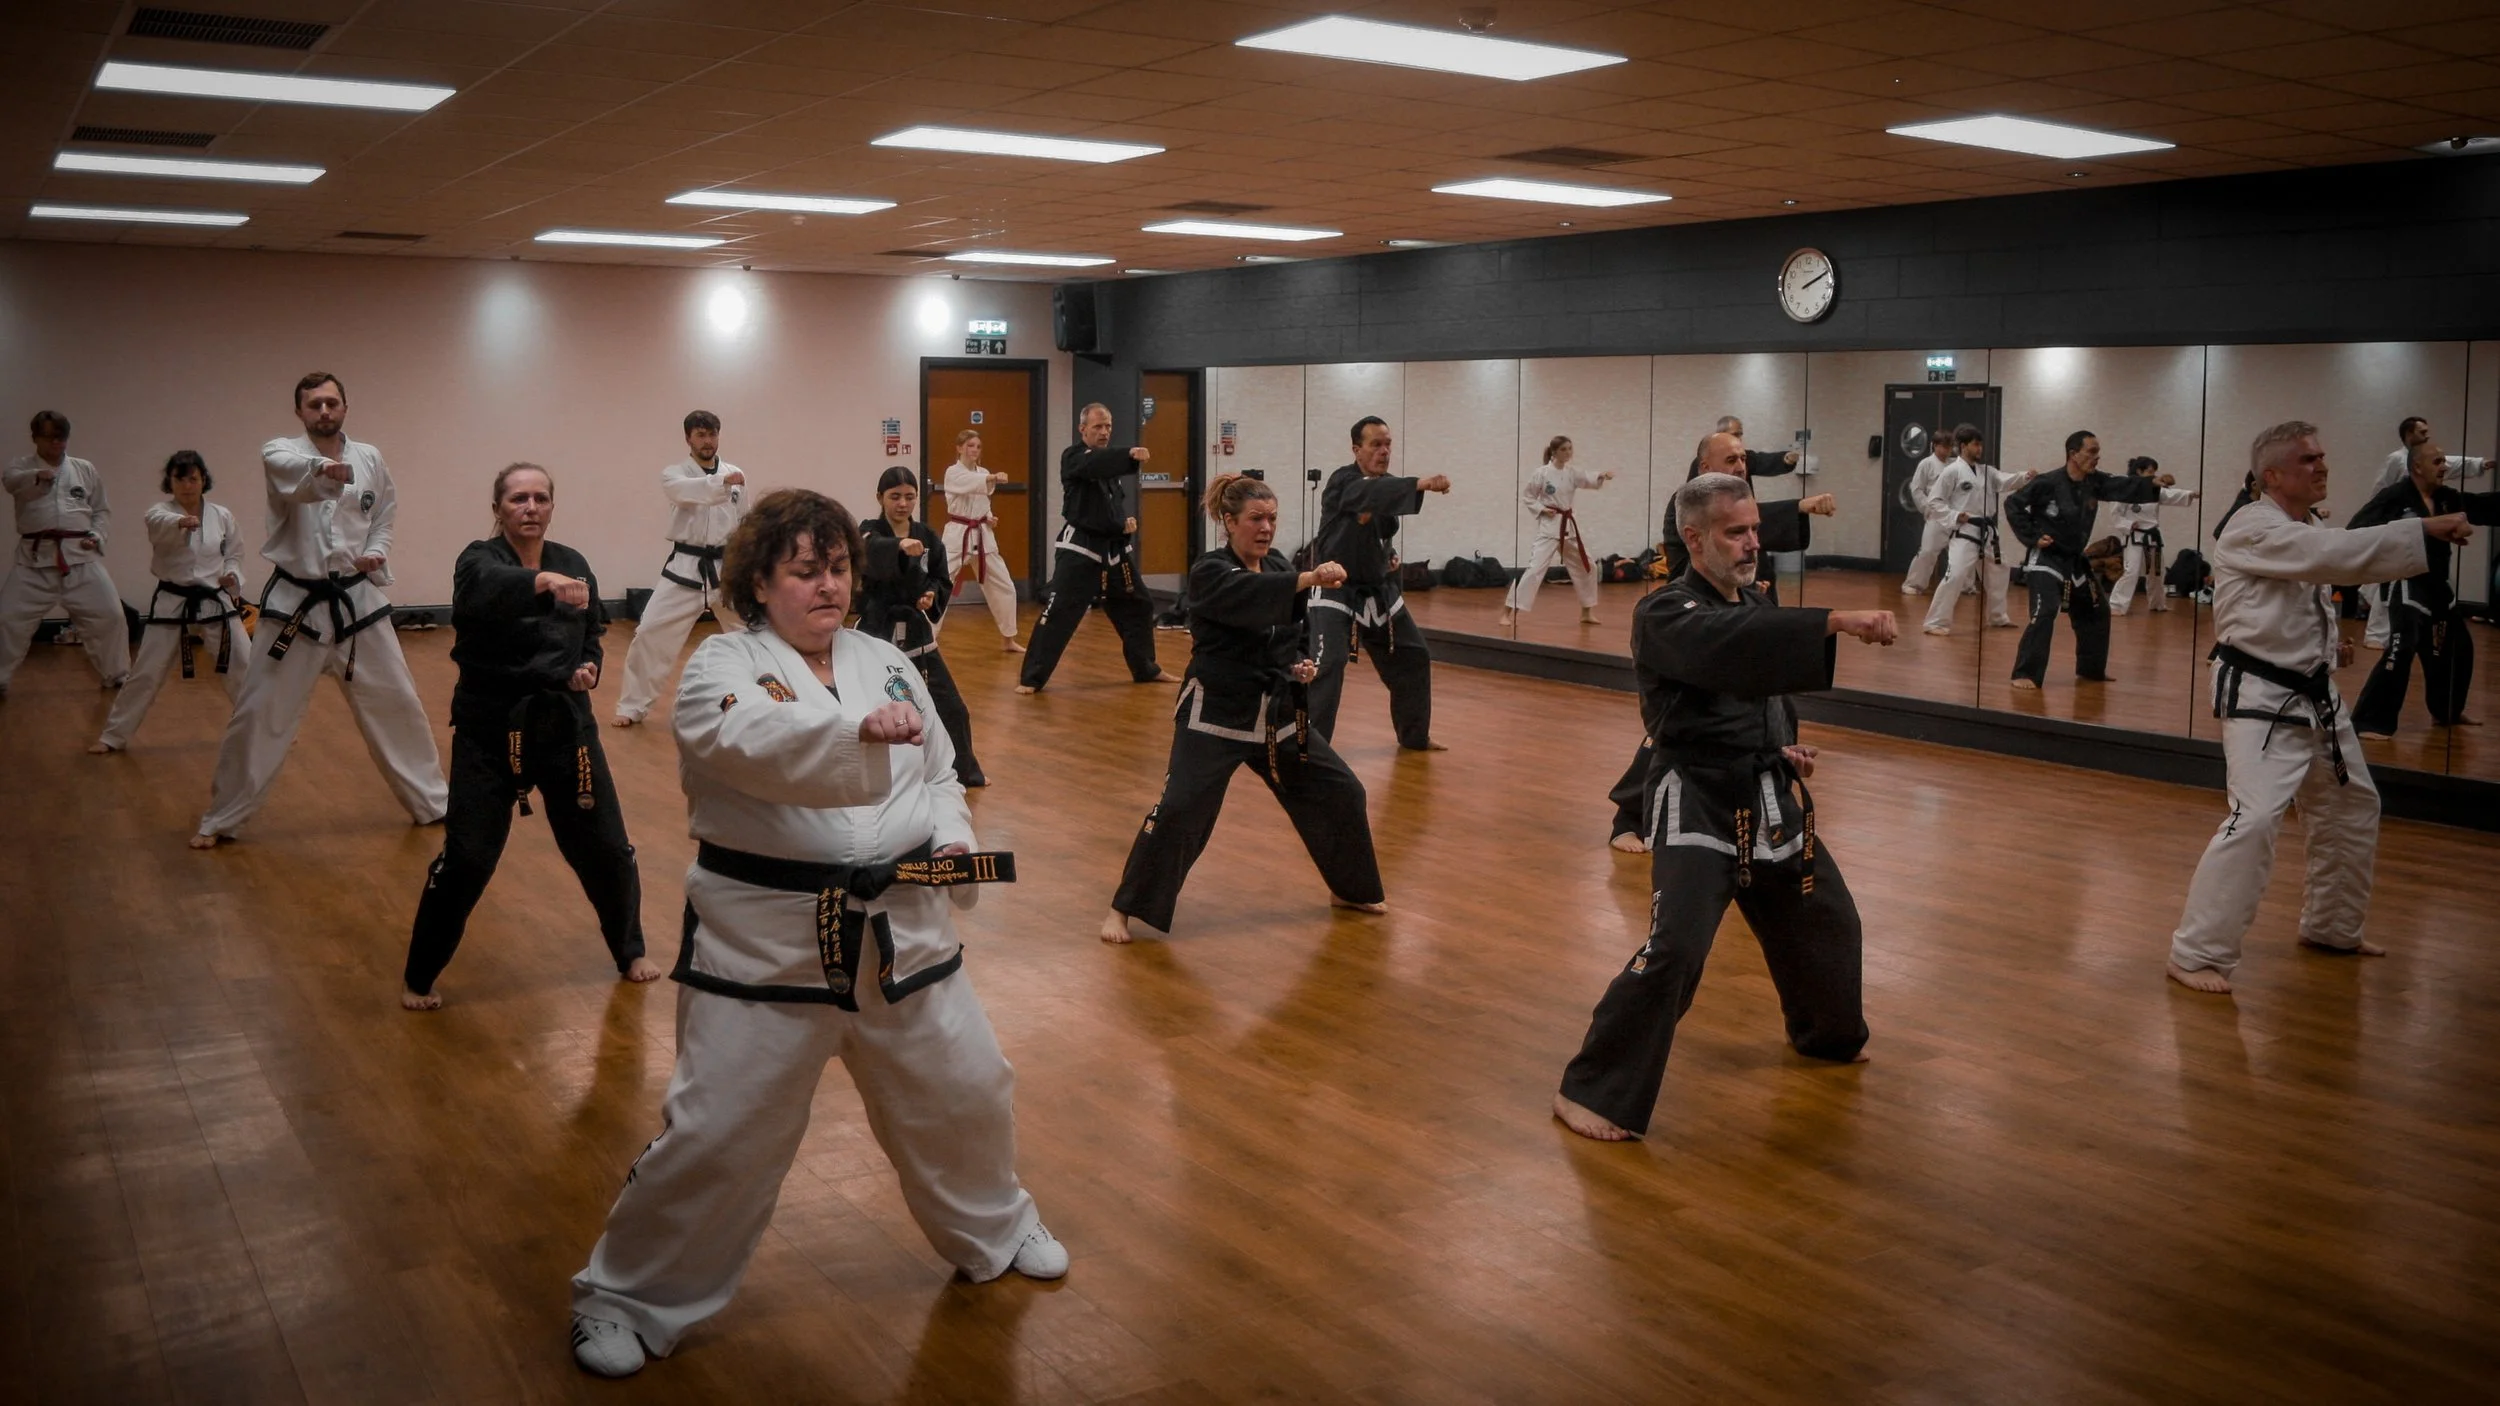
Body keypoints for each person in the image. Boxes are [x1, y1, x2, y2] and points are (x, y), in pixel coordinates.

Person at [569, 489, 1062, 1380]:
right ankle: (626, 1297)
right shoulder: (721, 667)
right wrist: (855, 732)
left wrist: (953, 841)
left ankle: (998, 1225)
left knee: (970, 1091)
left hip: (906, 939)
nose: (827, 585)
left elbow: (943, 773)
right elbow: (752, 742)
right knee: (718, 1134)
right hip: (768, 953)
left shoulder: (889, 661)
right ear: (760, 582)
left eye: (837, 568)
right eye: (804, 570)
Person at [1554, 473, 1892, 1142]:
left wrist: (1782, 744)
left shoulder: (1752, 599)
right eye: (1735, 533)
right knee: (1675, 950)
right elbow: (1732, 651)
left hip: (1765, 795)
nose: (1751, 544)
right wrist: (1832, 620)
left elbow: (1762, 686)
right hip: (1698, 803)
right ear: (1694, 538)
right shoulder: (1664, 612)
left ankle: (1826, 1036)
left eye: (1754, 531)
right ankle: (1592, 1090)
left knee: (1827, 919)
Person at [2165, 421, 2473, 995]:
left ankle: (2332, 928)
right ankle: (2196, 953)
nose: (2322, 465)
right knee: (2253, 820)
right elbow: (2332, 558)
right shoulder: (2251, 525)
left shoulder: (2300, 522)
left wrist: (2329, 642)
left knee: (2352, 806)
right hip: (2260, 698)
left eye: (2323, 455)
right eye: (2309, 459)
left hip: (2315, 694)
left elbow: (2295, 591)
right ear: (2273, 475)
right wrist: (2424, 527)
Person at [401, 463, 655, 1010]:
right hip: (492, 728)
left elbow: (592, 632)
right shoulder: (479, 560)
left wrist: (589, 667)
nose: (531, 507)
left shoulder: (572, 562)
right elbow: (483, 593)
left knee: (607, 849)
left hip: (566, 725)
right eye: (518, 499)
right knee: (468, 857)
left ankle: (629, 949)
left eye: (541, 498)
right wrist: (540, 582)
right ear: (498, 508)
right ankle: (420, 975)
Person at [1101, 473, 1386, 943]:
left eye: (1272, 518)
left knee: (1342, 791)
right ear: (1229, 521)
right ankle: (1122, 910)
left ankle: (1350, 889)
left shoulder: (1275, 564)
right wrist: (1310, 577)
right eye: (1256, 518)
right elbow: (1251, 601)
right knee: (1180, 810)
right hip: (1216, 712)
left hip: (1273, 714)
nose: (1266, 527)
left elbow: (1287, 633)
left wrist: (1298, 664)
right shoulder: (1210, 571)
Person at [192, 373, 446, 847]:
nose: (324, 411)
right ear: (300, 412)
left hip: (358, 602)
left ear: (346, 407)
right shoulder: (280, 452)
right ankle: (221, 818)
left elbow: (383, 514)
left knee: (399, 704)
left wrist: (376, 552)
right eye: (314, 405)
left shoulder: (370, 457)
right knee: (259, 714)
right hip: (296, 606)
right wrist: (328, 473)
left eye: (332, 402)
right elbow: (297, 481)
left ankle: (434, 804)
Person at [1608, 430, 1834, 852]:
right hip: (1692, 623)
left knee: (1763, 707)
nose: (1741, 465)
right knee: (1675, 727)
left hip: (1740, 607)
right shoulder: (1689, 503)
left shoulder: (1738, 501)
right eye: (1730, 459)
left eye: (1743, 458)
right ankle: (1630, 814)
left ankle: (1772, 773)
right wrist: (1800, 504)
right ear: (1705, 466)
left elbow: (1755, 523)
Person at [1307, 416, 1451, 750]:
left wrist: (1388, 553)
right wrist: (1421, 483)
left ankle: (1414, 736)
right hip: (1335, 589)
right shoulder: (1343, 481)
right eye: (1376, 444)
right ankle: (1313, 748)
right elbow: (1365, 494)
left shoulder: (1386, 488)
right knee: (1329, 663)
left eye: (1388, 444)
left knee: (1413, 656)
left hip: (1376, 590)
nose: (1384, 451)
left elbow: (1381, 525)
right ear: (1357, 449)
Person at [91, 451, 248, 752]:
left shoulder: (222, 516)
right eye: (180, 478)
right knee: (146, 671)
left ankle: (263, 729)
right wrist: (181, 522)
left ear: (204, 480)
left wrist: (231, 575)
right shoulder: (159, 513)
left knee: (243, 663)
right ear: (170, 481)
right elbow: (161, 524)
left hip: (214, 598)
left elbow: (235, 554)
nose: (187, 485)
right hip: (173, 599)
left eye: (193, 478)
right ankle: (113, 736)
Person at [2345, 442, 2500, 739]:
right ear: (2417, 466)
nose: (2445, 467)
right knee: (2402, 646)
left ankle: (2447, 712)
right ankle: (2371, 721)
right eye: (2438, 461)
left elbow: (2481, 507)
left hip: (2437, 586)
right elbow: (2358, 529)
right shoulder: (2394, 497)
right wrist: (2419, 525)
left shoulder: (2445, 497)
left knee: (2458, 648)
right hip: (2405, 581)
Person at [2002, 430, 2173, 690]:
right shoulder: (2047, 482)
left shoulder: (2095, 482)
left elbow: (2121, 486)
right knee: (2045, 610)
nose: (2097, 457)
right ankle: (2025, 673)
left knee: (2097, 611)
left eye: (2097, 452)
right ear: (2073, 453)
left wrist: (2153, 484)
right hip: (2046, 557)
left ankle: (2090, 670)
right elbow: (2013, 504)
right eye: (2091, 452)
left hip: (2074, 559)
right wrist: (2033, 536)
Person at [1017, 403, 1168, 692]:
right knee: (1059, 611)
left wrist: (1122, 524)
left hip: (1112, 550)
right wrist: (1129, 455)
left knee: (1138, 605)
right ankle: (1031, 678)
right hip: (1080, 549)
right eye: (1098, 426)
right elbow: (1094, 465)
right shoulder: (1074, 458)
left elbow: (1106, 506)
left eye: (1108, 426)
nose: (1104, 431)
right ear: (1082, 429)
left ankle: (1146, 668)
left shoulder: (1109, 467)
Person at [612, 410, 745, 725]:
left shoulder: (736, 474)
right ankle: (632, 706)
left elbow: (743, 520)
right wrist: (720, 482)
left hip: (726, 568)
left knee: (756, 632)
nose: (707, 441)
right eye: (700, 435)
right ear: (688, 438)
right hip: (686, 568)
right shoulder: (674, 475)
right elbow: (688, 492)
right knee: (649, 633)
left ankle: (773, 698)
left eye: (712, 434)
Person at [860, 465, 985, 787]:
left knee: (952, 708)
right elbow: (867, 551)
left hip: (917, 631)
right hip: (878, 629)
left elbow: (941, 577)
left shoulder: (927, 535)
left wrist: (932, 594)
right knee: (871, 703)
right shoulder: (869, 530)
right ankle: (877, 773)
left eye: (910, 497)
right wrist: (898, 547)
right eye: (895, 497)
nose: (903, 504)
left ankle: (965, 770)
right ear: (880, 497)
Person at [1, 409, 130, 697]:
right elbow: (11, 483)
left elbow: (101, 511)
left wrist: (96, 536)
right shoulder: (19, 468)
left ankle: (117, 674)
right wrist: (38, 476)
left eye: (61, 438)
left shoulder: (84, 469)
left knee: (110, 615)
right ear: (35, 438)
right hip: (34, 561)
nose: (56, 444)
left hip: (80, 558)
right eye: (48, 438)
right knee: (6, 618)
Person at [2361, 418, 2485, 650]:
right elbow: (2381, 487)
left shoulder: (2431, 468)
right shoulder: (2396, 460)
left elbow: (2449, 463)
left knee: (2435, 579)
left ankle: (2426, 631)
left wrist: (2478, 464)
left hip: (2422, 527)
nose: (2427, 435)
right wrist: (2380, 515)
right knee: (2393, 586)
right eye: (2422, 432)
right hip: (2399, 525)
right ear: (2409, 434)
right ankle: (2376, 635)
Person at [1918, 426, 2029, 636]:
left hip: (1987, 532)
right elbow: (1934, 501)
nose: (1980, 448)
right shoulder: (1952, 471)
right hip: (1965, 530)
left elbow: (2006, 480)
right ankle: (1935, 622)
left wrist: (2025, 477)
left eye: (1980, 444)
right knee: (1955, 574)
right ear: (1963, 446)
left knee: (1999, 571)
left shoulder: (1987, 471)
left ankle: (1998, 617)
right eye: (1976, 444)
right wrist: (1954, 516)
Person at [1500, 435, 1612, 626]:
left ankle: (1586, 611)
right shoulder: (1541, 474)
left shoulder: (1571, 472)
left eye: (1570, 449)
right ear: (1554, 452)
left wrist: (1601, 476)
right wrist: (1542, 509)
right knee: (1535, 570)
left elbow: (1587, 478)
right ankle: (1507, 612)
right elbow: (1528, 497)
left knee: (1588, 566)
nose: (1568, 453)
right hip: (1549, 528)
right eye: (1564, 449)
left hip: (1568, 527)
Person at [938, 429, 1023, 651]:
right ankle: (927, 639)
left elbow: (981, 502)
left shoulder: (982, 471)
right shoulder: (953, 472)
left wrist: (988, 517)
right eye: (970, 445)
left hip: (982, 535)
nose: (974, 449)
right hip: (958, 534)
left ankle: (1008, 638)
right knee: (939, 586)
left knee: (1005, 586)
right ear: (959, 448)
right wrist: (992, 477)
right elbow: (968, 483)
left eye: (977, 446)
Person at [2107, 455, 2199, 616]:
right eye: (2150, 471)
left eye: (2154, 472)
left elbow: (2170, 495)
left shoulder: (2154, 489)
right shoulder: (2125, 489)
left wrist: (2191, 494)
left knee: (2157, 572)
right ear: (2139, 471)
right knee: (2131, 571)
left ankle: (2157, 603)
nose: (2153, 475)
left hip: (2152, 536)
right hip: (2134, 536)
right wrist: (2127, 525)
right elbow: (2115, 515)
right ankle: (2117, 605)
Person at [1899, 432, 1956, 596]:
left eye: (1949, 447)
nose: (1947, 450)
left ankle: (1965, 585)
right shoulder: (1926, 464)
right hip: (1936, 513)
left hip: (1954, 513)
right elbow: (1916, 488)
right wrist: (1927, 508)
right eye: (1943, 446)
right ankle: (1914, 584)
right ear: (1934, 445)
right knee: (1928, 551)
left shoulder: (1955, 465)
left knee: (1961, 550)